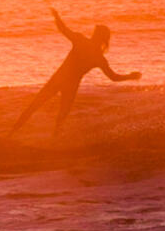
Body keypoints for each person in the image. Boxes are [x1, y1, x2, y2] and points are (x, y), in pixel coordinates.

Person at [9, 8, 140, 136]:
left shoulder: (84, 43)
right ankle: (14, 134)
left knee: (41, 108)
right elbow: (114, 77)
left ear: (99, 36)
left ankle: (15, 134)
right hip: (69, 84)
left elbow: (63, 30)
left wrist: (57, 17)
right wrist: (130, 76)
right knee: (51, 111)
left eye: (95, 32)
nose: (93, 33)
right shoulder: (97, 57)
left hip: (61, 79)